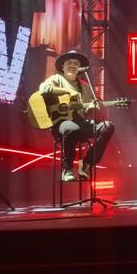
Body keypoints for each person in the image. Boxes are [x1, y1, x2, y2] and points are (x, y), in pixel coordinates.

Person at [39, 50, 115, 182]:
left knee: (107, 126)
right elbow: (43, 89)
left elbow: (89, 111)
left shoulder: (85, 86)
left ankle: (87, 163)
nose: (72, 65)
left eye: (76, 63)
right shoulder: (56, 79)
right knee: (71, 128)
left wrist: (93, 107)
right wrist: (68, 91)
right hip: (60, 123)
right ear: (62, 67)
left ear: (80, 67)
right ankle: (67, 169)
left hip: (80, 123)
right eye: (69, 63)